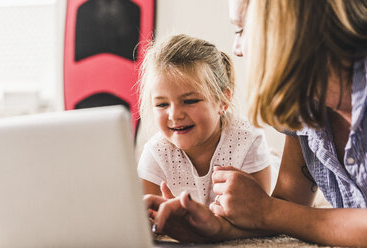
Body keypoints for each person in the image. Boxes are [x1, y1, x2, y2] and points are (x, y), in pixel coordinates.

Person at [144, 0, 367, 246]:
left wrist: (266, 211)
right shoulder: (303, 107)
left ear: (287, 27)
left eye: (241, 30)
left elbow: (275, 213)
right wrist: (215, 229)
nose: (237, 50)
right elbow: (289, 210)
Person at [137, 34, 272, 206]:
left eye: (190, 101)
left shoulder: (247, 140)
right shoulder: (156, 152)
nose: (175, 115)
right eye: (162, 104)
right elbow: (145, 213)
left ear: (223, 101)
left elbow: (258, 212)